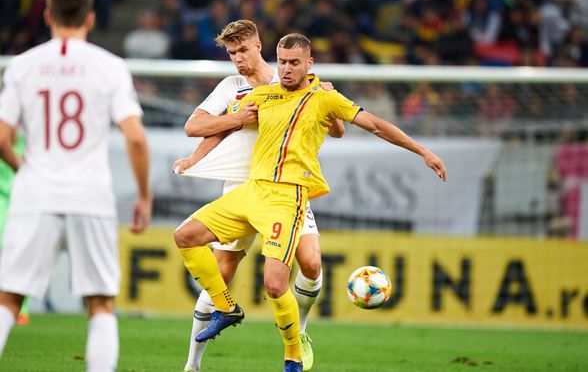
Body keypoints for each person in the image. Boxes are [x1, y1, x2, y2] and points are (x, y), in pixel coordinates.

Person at [173, 32, 446, 372]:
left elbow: (373, 125)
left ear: (309, 64)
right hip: (249, 189)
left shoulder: (324, 97)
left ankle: (294, 352)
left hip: (288, 196)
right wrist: (193, 159)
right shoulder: (259, 93)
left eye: (294, 63)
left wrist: (423, 151)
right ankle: (221, 316)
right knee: (185, 236)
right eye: (283, 62)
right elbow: (218, 128)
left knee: (286, 278)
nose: (286, 69)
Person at [172, 19, 343, 372]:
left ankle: (302, 332)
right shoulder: (230, 87)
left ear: (259, 45)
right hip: (241, 189)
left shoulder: (290, 80)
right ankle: (192, 365)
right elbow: (196, 126)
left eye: (243, 50)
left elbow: (335, 128)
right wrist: (231, 122)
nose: (238, 59)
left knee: (310, 263)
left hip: (285, 189)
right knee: (219, 274)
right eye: (231, 53)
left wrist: (327, 92)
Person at [0, 0, 152, 371]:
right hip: (91, 196)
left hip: (35, 194)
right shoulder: (110, 67)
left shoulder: (23, 65)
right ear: (91, 18)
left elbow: (2, 136)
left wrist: (24, 167)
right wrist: (144, 196)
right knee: (100, 302)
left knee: (8, 299)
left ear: (48, 16)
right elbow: (135, 137)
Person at [0, 131, 29, 325]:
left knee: (21, 254)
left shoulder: (27, 142)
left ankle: (21, 309)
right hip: (2, 200)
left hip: (23, 203)